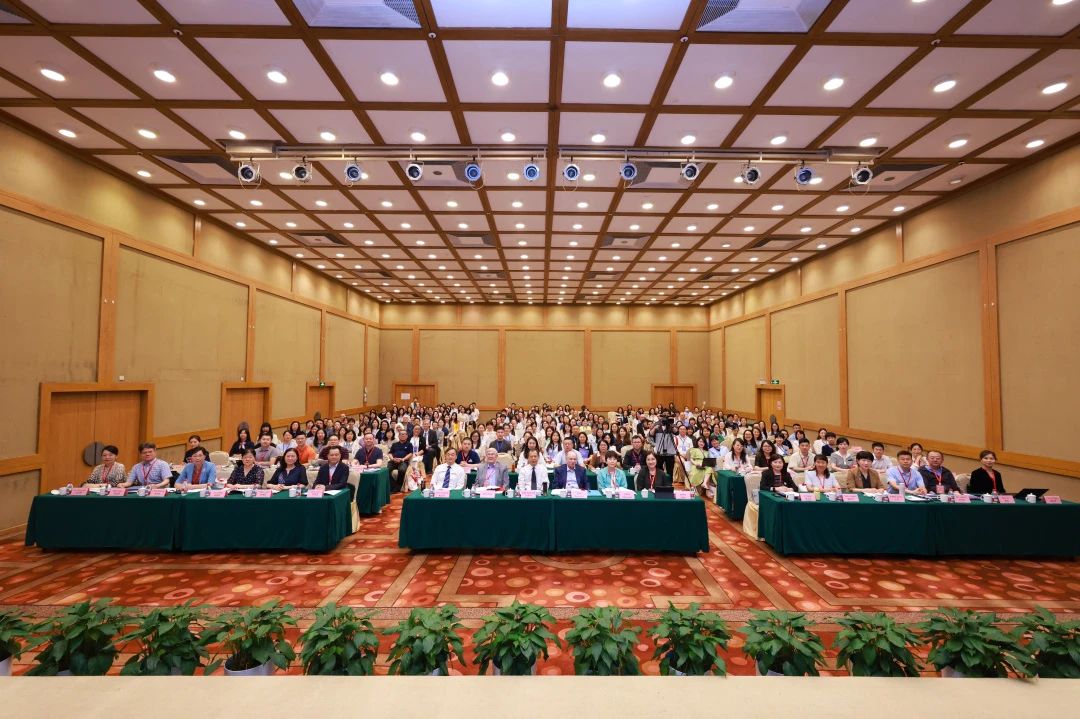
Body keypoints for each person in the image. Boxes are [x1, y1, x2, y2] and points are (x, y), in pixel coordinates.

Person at [386, 428, 414, 492]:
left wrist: (403, 459)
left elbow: (410, 454)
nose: (403, 435)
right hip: (393, 461)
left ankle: (398, 487)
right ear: (398, 436)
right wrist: (392, 459)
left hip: (403, 461)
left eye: (404, 434)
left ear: (407, 436)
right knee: (386, 471)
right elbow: (390, 453)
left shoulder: (409, 444)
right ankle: (393, 485)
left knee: (402, 470)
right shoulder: (394, 444)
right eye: (401, 434)